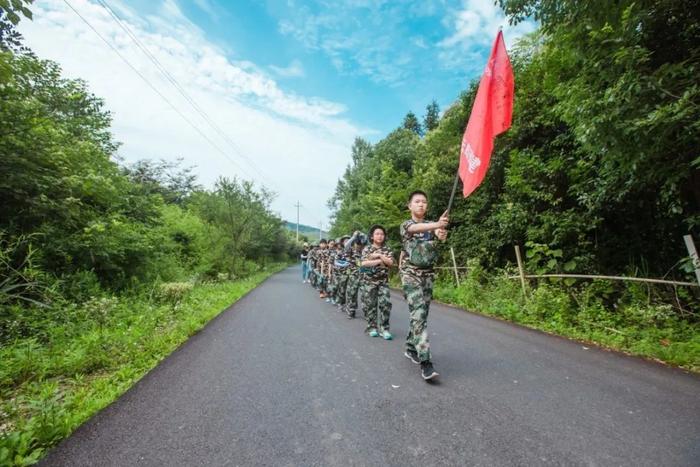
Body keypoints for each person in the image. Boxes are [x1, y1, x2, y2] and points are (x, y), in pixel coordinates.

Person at [400, 190, 448, 381]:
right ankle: (426, 363)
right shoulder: (406, 225)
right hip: (410, 274)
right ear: (410, 206)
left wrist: (440, 234)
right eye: (417, 201)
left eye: (424, 202)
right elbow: (414, 229)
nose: (421, 204)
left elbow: (437, 236)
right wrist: (437, 224)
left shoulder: (431, 228)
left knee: (421, 315)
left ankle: (411, 348)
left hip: (427, 275)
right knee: (418, 314)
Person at [359, 224, 394, 340]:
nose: (380, 236)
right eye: (377, 234)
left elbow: (390, 263)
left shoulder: (387, 249)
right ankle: (372, 327)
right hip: (369, 282)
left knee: (386, 304)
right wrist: (380, 259)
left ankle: (385, 329)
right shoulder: (367, 249)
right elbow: (363, 264)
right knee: (371, 305)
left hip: (383, 282)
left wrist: (376, 257)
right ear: (372, 237)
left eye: (382, 234)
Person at [344, 230, 367, 319]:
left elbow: (368, 242)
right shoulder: (351, 251)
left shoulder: (365, 251)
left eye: (360, 245)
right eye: (357, 244)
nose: (359, 246)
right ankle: (351, 310)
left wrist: (363, 236)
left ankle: (367, 312)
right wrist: (353, 237)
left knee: (365, 295)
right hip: (353, 276)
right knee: (352, 294)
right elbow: (346, 246)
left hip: (364, 276)